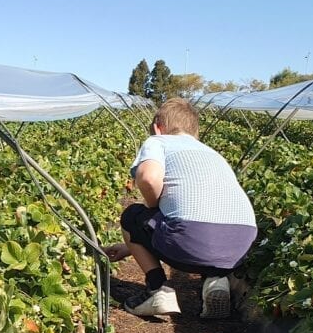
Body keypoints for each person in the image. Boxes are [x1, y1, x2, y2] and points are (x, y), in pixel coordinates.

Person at [104, 97, 257, 318]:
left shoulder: (159, 141)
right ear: (195, 131)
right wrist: (131, 245)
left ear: (158, 127)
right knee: (206, 225)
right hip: (239, 244)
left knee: (132, 215)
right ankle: (217, 282)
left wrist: (153, 207)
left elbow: (147, 178)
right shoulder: (212, 153)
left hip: (190, 240)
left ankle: (157, 290)